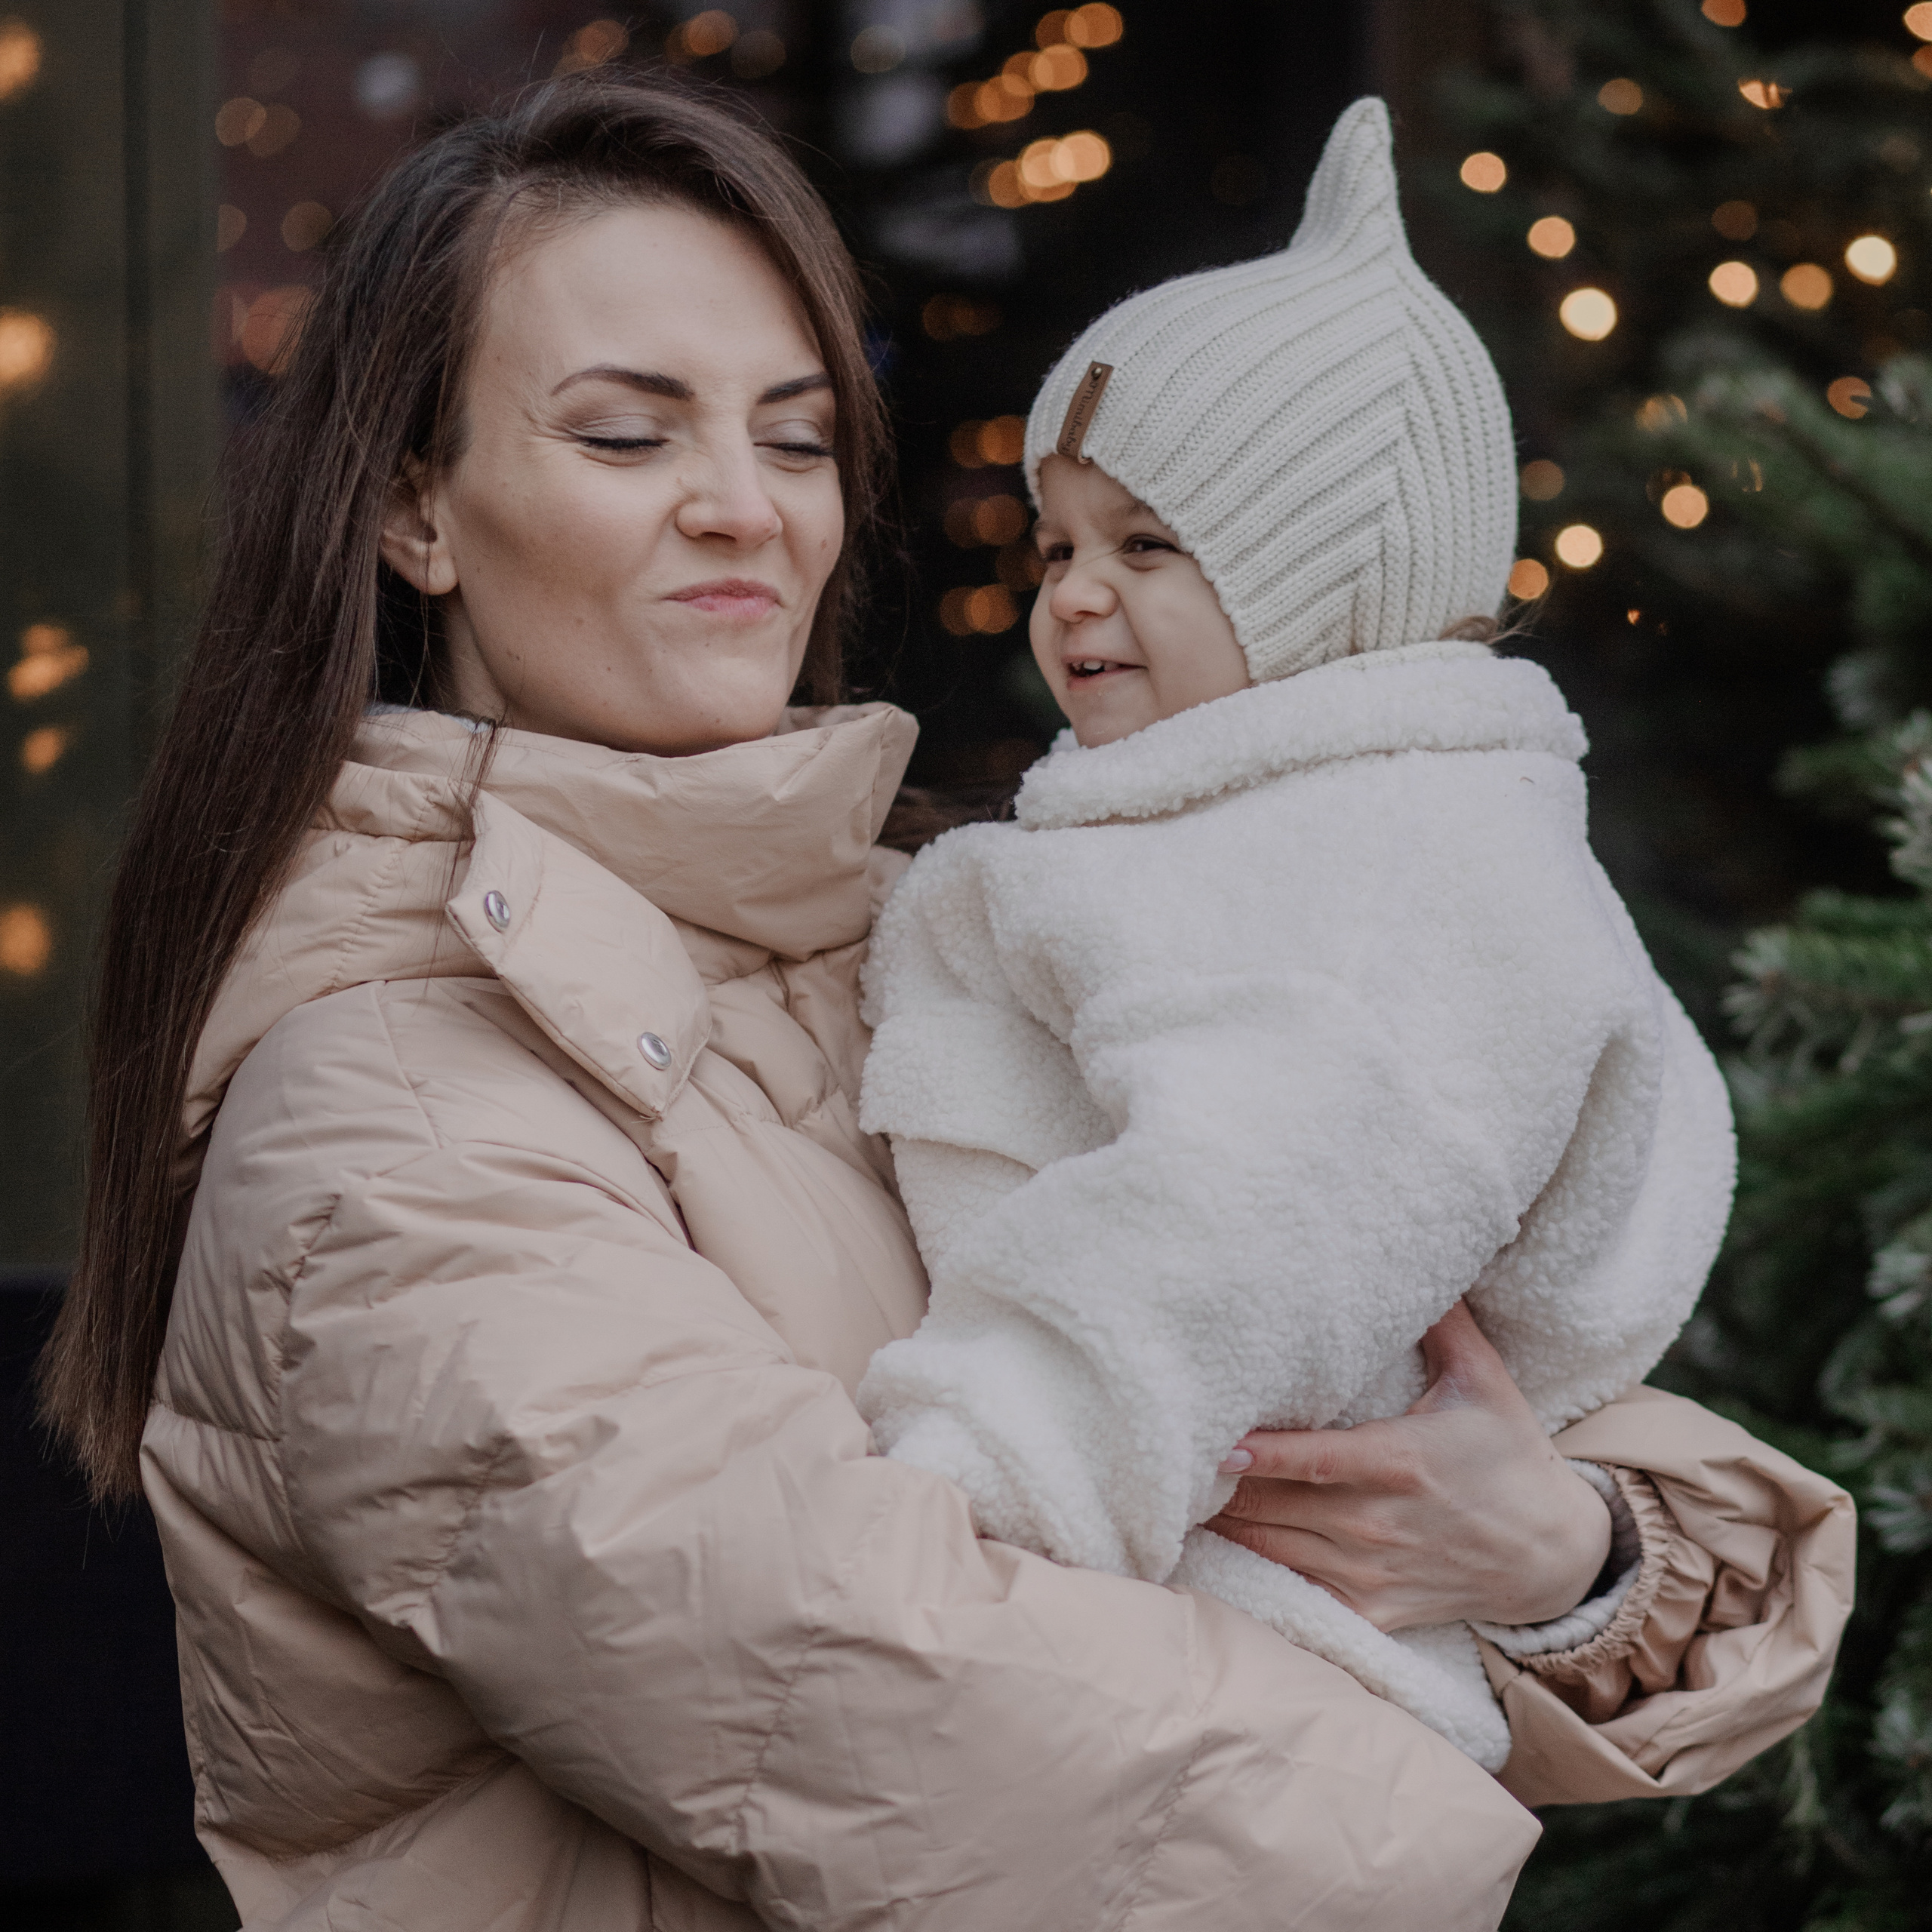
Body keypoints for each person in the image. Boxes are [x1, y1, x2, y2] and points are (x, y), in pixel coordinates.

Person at [36, 73, 1852, 1932]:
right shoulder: (391, 1119)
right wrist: (1440, 1798)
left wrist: (1564, 1550)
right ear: (417, 508)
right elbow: (879, 1694)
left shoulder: (924, 939)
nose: (740, 509)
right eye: (623, 435)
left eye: (798, 438)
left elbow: (1439, 1351)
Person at [855, 98, 1743, 1776]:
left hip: (1222, 1648)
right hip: (1146, 1627)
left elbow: (1252, 1217)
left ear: (1339, 581)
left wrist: (978, 1474)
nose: (1068, 595)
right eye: (1053, 543)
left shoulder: (1396, 866)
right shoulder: (1221, 817)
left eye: (1150, 544)